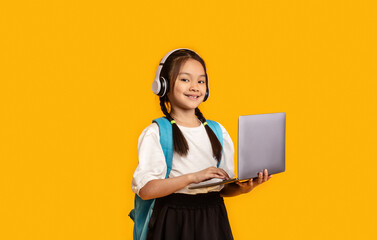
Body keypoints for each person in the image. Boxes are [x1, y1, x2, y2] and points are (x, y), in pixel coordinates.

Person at [131, 48, 272, 240]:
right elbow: (146, 190)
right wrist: (193, 177)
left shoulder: (217, 131)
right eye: (185, 79)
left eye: (201, 81)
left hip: (213, 218)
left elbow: (222, 188)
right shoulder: (156, 132)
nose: (195, 87)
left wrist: (244, 188)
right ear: (163, 85)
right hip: (173, 221)